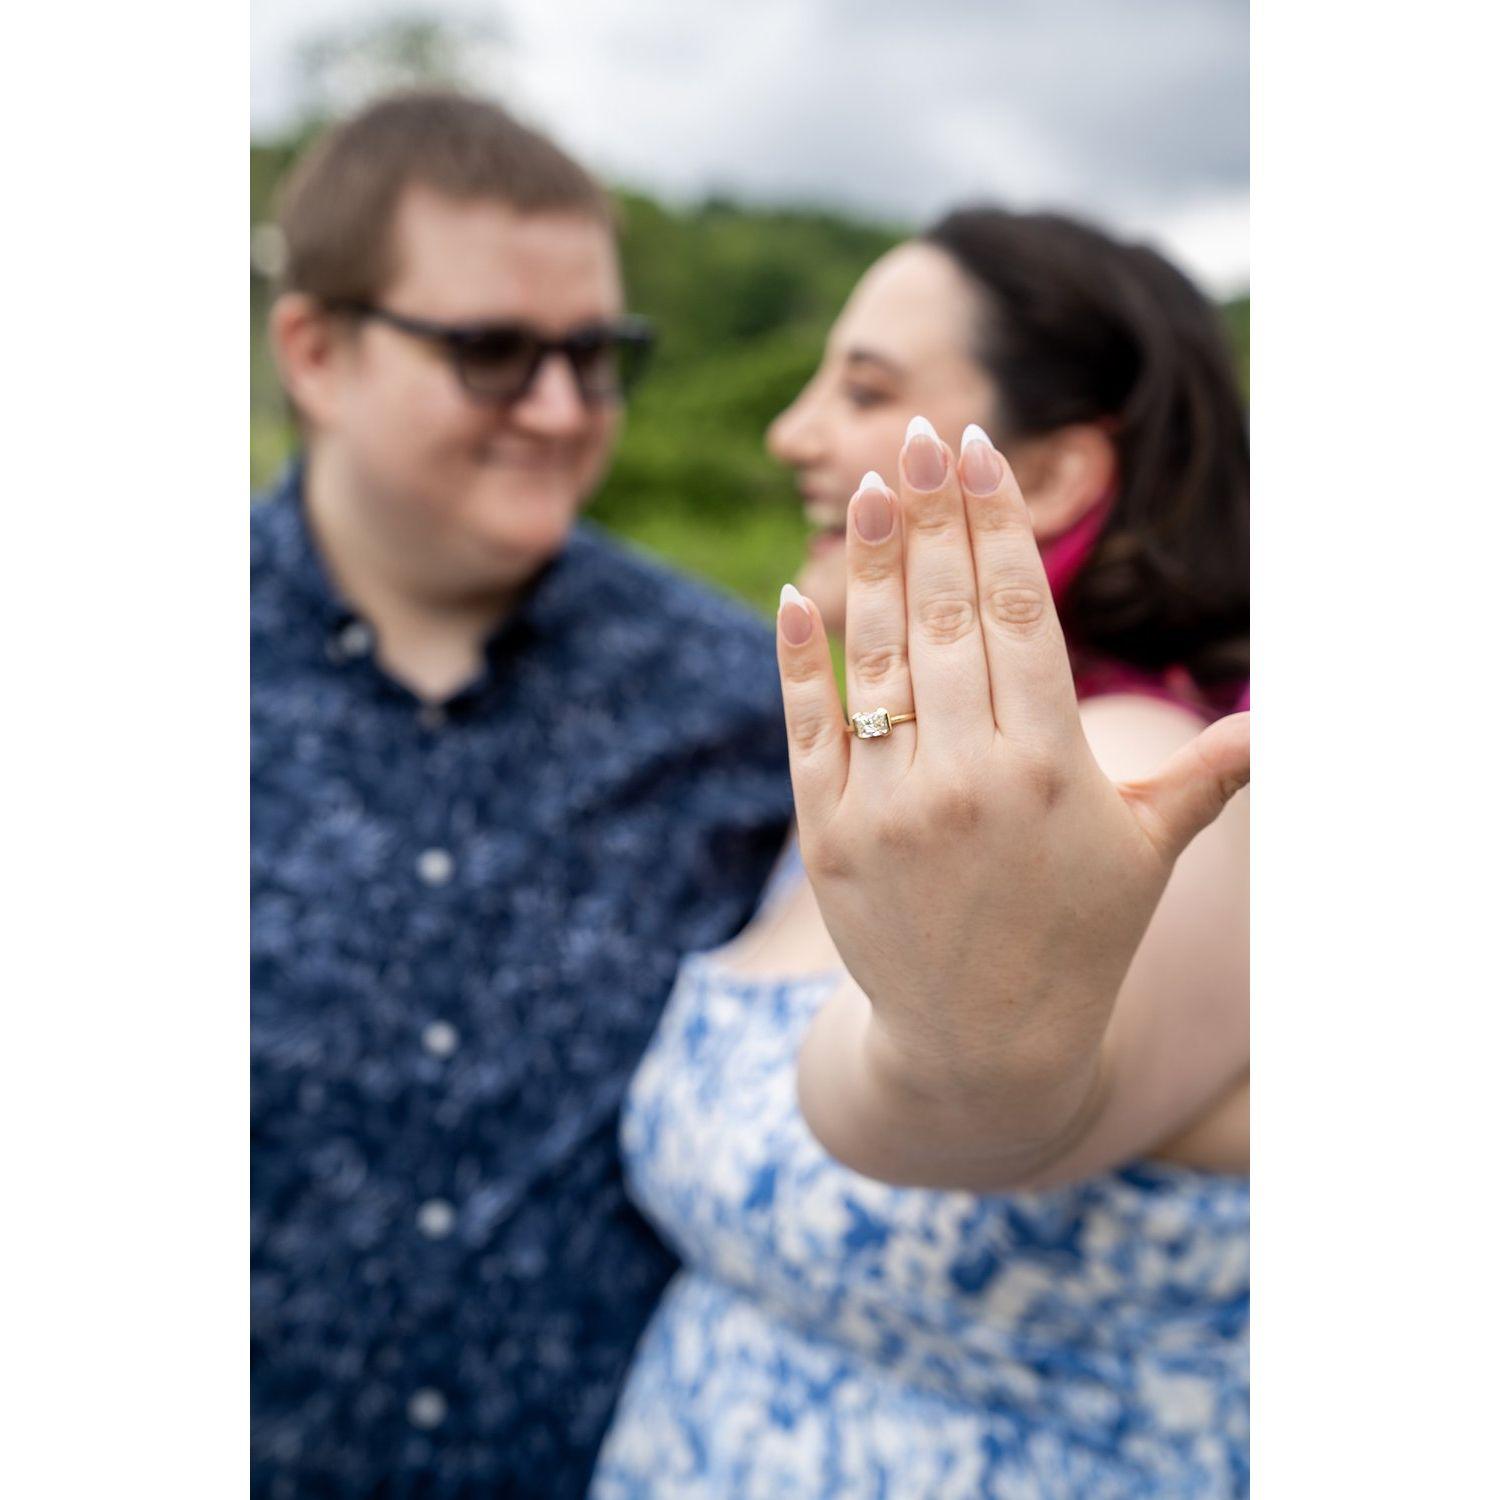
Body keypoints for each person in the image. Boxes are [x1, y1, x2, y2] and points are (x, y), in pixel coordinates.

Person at [591, 211, 1250, 1496]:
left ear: (1050, 475)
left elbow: (989, 1107)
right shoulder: (910, 794)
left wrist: (974, 1045)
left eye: (865, 388)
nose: (790, 431)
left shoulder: (1138, 768)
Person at [251, 92, 794, 1497]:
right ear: (315, 347)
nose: (560, 410)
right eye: (493, 353)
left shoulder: (736, 695)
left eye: (597, 356)